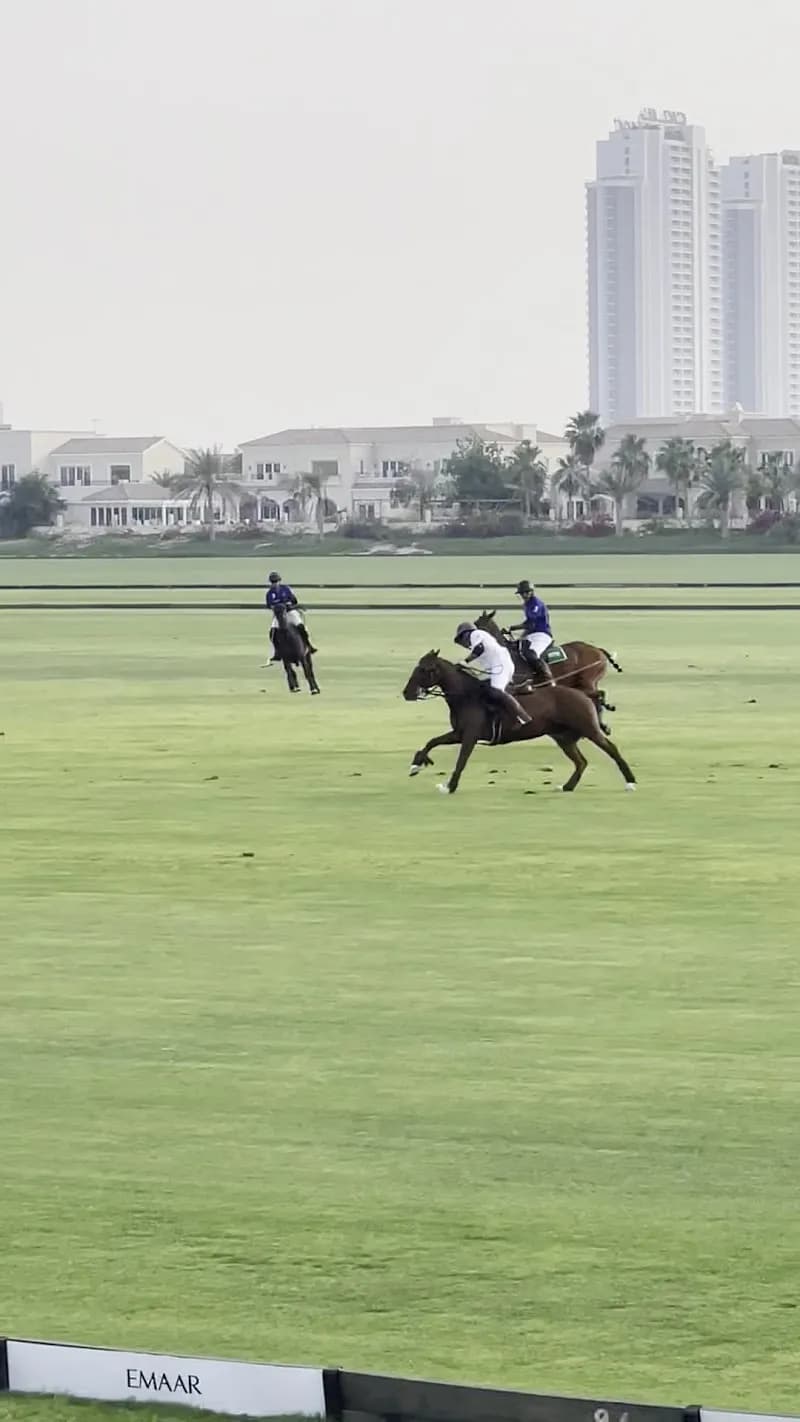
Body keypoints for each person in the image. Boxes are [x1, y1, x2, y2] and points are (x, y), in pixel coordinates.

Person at [453, 622, 531, 725]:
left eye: (461, 639)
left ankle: (523, 717)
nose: (463, 643)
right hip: (497, 666)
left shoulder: (475, 634)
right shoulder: (478, 640)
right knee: (481, 686)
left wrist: (465, 661)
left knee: (496, 691)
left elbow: (479, 649)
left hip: (500, 665)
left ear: (465, 634)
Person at [509, 579, 554, 684]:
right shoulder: (527, 604)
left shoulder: (535, 604)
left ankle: (546, 677)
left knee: (530, 653)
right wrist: (520, 636)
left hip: (542, 634)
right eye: (521, 593)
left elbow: (531, 624)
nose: (523, 595)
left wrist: (513, 628)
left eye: (526, 592)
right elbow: (528, 623)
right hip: (532, 634)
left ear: (531, 592)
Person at [265, 572, 316, 663]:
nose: (275, 583)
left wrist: (289, 604)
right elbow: (269, 605)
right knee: (272, 633)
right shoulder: (269, 593)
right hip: (279, 614)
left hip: (290, 612)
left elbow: (294, 600)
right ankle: (277, 652)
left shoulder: (285, 589)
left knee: (301, 626)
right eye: (273, 582)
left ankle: (308, 645)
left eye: (276, 581)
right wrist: (276, 607)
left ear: (279, 581)